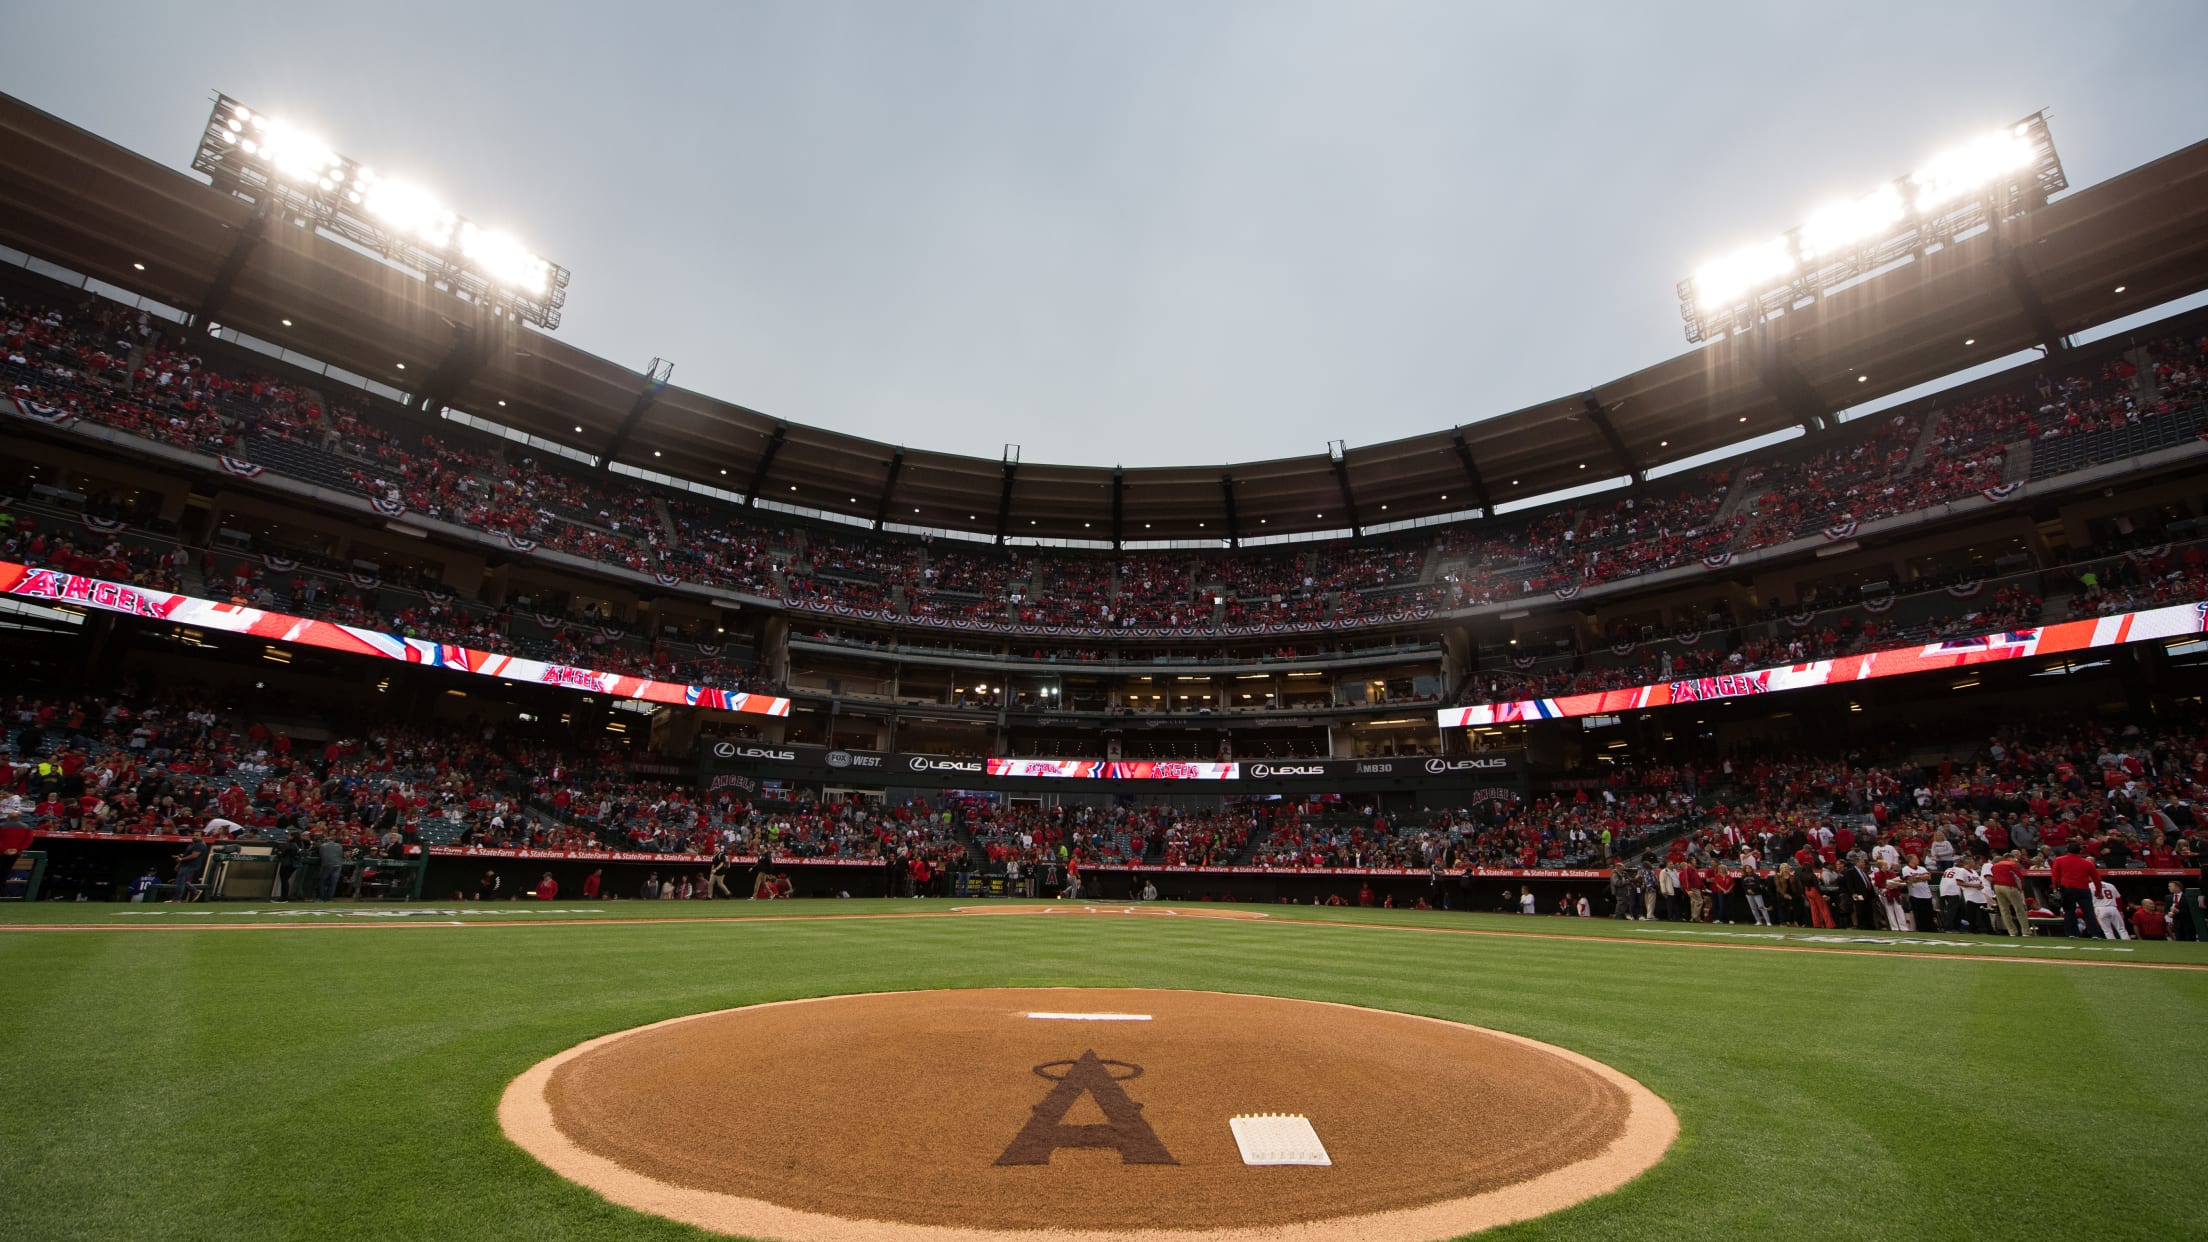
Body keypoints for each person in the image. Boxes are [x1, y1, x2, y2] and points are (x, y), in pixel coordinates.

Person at [2048, 843, 2100, 938]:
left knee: (2069, 911)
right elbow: (2096, 878)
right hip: (2084, 889)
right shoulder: (2087, 863)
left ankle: (2072, 933)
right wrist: (2098, 890)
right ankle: (2095, 933)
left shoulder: (2059, 860)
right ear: (2080, 851)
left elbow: (2055, 876)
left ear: (2067, 850)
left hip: (2068, 889)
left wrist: (2055, 889)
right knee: (2089, 912)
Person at [1988, 851, 2030, 938]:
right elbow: (2018, 877)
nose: (2015, 860)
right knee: (2019, 909)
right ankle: (2025, 931)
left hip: (1997, 887)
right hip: (2009, 886)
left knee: (2004, 910)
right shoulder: (2011, 864)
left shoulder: (1994, 866)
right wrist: (2020, 889)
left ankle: (2012, 931)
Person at [2090, 876, 2129, 940]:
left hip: (2099, 908)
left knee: (2107, 930)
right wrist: (2120, 911)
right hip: (2113, 908)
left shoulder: (2089, 886)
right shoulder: (2110, 885)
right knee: (2122, 929)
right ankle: (2128, 942)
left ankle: (2113, 944)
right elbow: (2118, 899)